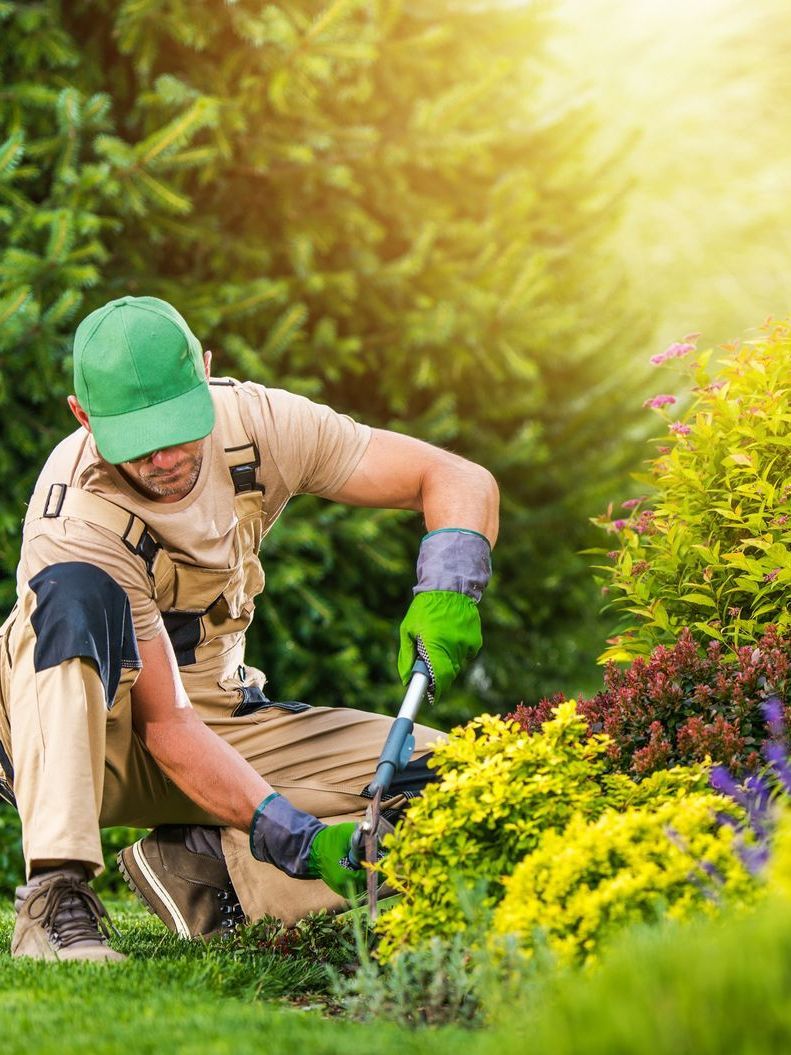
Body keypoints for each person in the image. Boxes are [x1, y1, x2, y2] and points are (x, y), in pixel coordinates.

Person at [0, 296, 498, 962]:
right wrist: (293, 832)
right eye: (135, 441)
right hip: (93, 734)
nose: (163, 456)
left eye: (178, 426)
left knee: (458, 778)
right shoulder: (76, 518)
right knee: (72, 596)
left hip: (218, 716)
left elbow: (452, 476)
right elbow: (165, 725)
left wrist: (450, 587)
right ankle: (54, 895)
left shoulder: (259, 423)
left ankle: (207, 868)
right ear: (84, 417)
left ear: (205, 374)